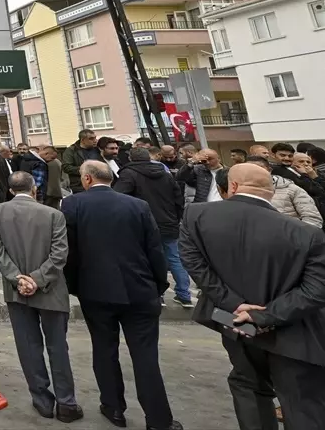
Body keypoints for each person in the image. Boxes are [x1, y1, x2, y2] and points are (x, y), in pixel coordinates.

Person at [179, 162, 325, 430]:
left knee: (248, 386)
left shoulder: (196, 215)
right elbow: (317, 291)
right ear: (271, 191)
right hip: (293, 329)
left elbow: (195, 264)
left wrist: (234, 305)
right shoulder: (307, 233)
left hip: (232, 320)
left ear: (233, 186)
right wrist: (263, 315)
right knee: (302, 400)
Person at [63, 161, 180, 430]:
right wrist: (159, 285)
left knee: (104, 350)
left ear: (87, 179)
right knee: (146, 356)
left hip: (95, 291)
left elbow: (70, 252)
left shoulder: (73, 205)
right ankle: (159, 420)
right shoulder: (137, 206)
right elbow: (154, 249)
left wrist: (75, 286)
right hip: (140, 289)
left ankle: (113, 407)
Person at [0, 171, 82, 421]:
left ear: (10, 191)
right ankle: (66, 403)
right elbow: (60, 254)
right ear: (34, 189)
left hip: (16, 291)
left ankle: (42, 400)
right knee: (58, 347)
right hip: (51, 290)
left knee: (28, 347)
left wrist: (18, 279)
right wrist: (37, 279)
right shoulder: (53, 215)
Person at [114, 147, 191, 308]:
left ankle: (157, 294)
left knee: (147, 258)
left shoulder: (128, 174)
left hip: (142, 222)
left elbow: (119, 197)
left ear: (131, 158)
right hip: (168, 221)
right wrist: (176, 217)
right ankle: (184, 295)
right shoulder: (165, 173)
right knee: (174, 257)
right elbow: (178, 198)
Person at [19, 145, 67, 210]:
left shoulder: (25, 160)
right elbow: (37, 183)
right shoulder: (40, 164)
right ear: (46, 154)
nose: (52, 160)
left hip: (26, 193)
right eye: (52, 158)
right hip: (38, 196)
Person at [60, 129, 100, 194]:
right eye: (91, 139)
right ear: (83, 140)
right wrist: (84, 169)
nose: (95, 140)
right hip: (80, 186)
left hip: (98, 184)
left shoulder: (98, 149)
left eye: (95, 138)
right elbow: (66, 167)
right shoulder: (71, 151)